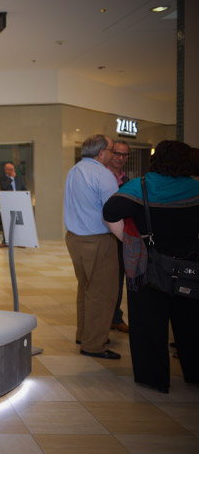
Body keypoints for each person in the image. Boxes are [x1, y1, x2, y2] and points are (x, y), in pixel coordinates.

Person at [103, 140, 199, 393]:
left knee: (148, 325)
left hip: (149, 266)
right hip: (191, 268)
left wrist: (130, 240)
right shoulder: (195, 187)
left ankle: (154, 378)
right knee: (191, 323)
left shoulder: (141, 186)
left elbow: (110, 211)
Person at [64, 134, 120, 359]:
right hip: (98, 240)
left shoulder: (74, 170)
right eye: (111, 150)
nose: (114, 154)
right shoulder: (103, 175)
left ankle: (84, 334)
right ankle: (94, 344)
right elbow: (114, 212)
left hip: (75, 239)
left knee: (85, 289)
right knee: (102, 294)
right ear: (101, 153)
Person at [106, 140, 131, 334]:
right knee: (106, 280)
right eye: (117, 154)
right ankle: (105, 318)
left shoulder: (127, 180)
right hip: (103, 235)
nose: (121, 158)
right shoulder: (101, 175)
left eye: (124, 155)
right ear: (109, 153)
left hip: (121, 236)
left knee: (120, 277)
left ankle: (115, 317)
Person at [0, 162, 26, 248]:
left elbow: (24, 188)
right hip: (7, 203)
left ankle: (19, 241)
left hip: (17, 203)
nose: (13, 171)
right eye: (11, 169)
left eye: (13, 169)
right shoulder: (2, 178)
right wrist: (11, 179)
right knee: (6, 222)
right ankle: (5, 241)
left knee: (18, 222)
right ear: (6, 170)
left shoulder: (18, 178)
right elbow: (3, 186)